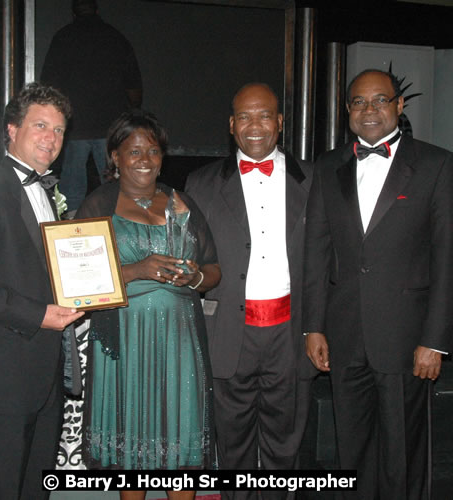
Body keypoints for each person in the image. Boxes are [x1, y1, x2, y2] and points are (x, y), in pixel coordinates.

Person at [303, 69, 453, 500]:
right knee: (350, 453)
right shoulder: (328, 166)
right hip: (343, 335)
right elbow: (316, 252)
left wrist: (435, 340)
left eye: (379, 100)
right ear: (347, 111)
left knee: (402, 457)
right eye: (358, 102)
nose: (369, 110)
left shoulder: (437, 164)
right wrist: (314, 326)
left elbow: (449, 259)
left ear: (399, 105)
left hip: (406, 338)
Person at [0, 83, 85, 499]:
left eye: (59, 130)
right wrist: (38, 314)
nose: (51, 138)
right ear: (11, 129)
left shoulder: (48, 191)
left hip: (45, 374)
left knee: (35, 490)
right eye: (40, 126)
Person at [75, 109, 220, 500]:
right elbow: (78, 282)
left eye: (153, 151)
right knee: (133, 441)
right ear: (115, 158)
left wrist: (195, 278)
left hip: (179, 342)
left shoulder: (182, 203)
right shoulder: (97, 205)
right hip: (125, 340)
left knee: (181, 434)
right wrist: (137, 269)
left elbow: (214, 269)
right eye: (134, 151)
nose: (144, 160)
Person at [185, 83, 314, 498]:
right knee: (234, 445)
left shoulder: (313, 180)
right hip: (228, 330)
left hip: (290, 333)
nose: (254, 125)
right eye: (244, 116)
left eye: (264, 116)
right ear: (231, 125)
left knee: (284, 446)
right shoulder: (200, 184)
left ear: (280, 122)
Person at [41, 0, 142, 217]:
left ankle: (72, 232)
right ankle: (119, 228)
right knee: (115, 186)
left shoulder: (63, 37)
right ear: (97, 9)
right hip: (109, 126)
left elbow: (48, 85)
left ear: (73, 12)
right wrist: (131, 114)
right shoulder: (115, 38)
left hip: (76, 124)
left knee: (72, 193)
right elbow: (134, 86)